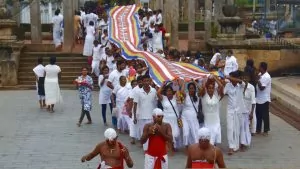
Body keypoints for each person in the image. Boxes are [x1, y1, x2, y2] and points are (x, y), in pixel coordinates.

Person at [224, 71, 246, 155]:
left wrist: (229, 77)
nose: (230, 80)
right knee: (230, 128)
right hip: (230, 111)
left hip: (238, 111)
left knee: (236, 129)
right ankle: (230, 147)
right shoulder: (228, 86)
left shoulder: (241, 85)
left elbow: (240, 81)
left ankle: (235, 146)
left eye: (232, 77)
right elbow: (223, 92)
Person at [133, 74, 157, 150]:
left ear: (150, 81)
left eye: (148, 80)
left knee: (153, 133)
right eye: (145, 81)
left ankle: (152, 147)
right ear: (142, 82)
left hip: (152, 116)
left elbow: (157, 101)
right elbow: (135, 104)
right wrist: (134, 117)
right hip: (142, 116)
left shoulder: (154, 90)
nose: (146, 82)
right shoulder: (138, 92)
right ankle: (146, 149)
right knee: (144, 133)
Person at [199, 75, 224, 145]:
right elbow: (203, 87)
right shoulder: (204, 96)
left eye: (212, 88)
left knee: (215, 135)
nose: (210, 89)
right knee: (208, 136)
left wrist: (215, 78)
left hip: (216, 119)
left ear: (214, 89)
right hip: (207, 120)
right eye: (209, 88)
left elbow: (221, 86)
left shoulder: (217, 96)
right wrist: (206, 78)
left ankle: (214, 150)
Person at [157, 83, 181, 151]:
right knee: (168, 133)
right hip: (166, 119)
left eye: (170, 90)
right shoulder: (163, 98)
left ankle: (173, 144)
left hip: (175, 119)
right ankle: (172, 146)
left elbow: (179, 96)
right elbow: (158, 93)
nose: (169, 92)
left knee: (176, 134)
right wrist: (163, 85)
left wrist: (177, 84)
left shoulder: (175, 96)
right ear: (165, 92)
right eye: (167, 91)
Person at [180, 81, 201, 147]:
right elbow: (181, 91)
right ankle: (187, 146)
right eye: (190, 88)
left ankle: (196, 146)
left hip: (194, 117)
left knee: (195, 132)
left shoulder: (197, 95)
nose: (191, 90)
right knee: (186, 132)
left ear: (195, 89)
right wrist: (184, 82)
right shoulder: (186, 95)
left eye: (193, 88)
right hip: (185, 117)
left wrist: (195, 82)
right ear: (188, 89)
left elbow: (202, 89)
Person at [241, 71, 256, 149]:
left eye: (246, 78)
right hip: (240, 110)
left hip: (248, 110)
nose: (244, 79)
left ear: (249, 79)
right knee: (240, 127)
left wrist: (251, 113)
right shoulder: (240, 86)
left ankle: (244, 143)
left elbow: (253, 101)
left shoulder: (251, 87)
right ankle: (240, 142)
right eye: (243, 77)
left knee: (245, 127)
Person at [256, 62, 271, 136]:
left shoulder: (267, 76)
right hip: (258, 98)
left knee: (265, 116)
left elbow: (262, 88)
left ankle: (266, 130)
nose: (258, 68)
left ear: (262, 68)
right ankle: (258, 129)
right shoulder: (259, 74)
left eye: (259, 66)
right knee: (258, 115)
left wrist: (258, 80)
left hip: (265, 99)